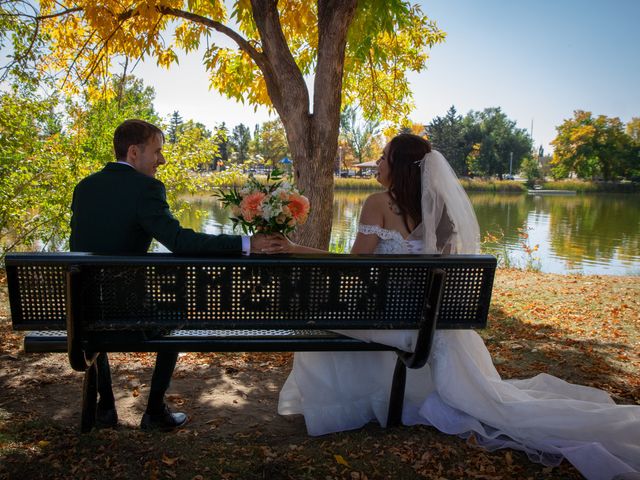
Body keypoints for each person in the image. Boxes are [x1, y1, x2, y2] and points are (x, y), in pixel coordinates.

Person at [276, 134, 640, 479]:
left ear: (399, 166)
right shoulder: (442, 211)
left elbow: (355, 264)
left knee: (319, 317)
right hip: (431, 322)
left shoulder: (378, 203)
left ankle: (347, 409)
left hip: (392, 321)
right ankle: (379, 400)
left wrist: (294, 247)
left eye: (384, 157)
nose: (378, 163)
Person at [70, 119, 285, 431]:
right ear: (133, 152)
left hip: (83, 315)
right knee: (178, 309)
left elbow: (81, 246)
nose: (162, 160)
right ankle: (155, 410)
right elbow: (182, 242)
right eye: (157, 152)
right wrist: (247, 243)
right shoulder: (146, 189)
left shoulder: (84, 187)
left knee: (92, 301)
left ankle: (105, 407)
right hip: (129, 316)